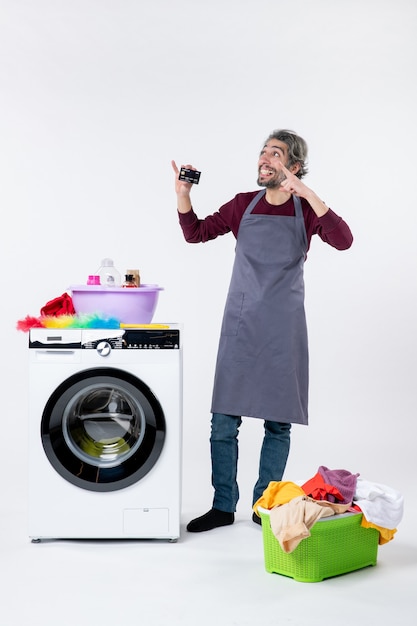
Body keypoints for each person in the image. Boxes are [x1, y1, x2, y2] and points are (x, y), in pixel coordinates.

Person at [171, 129, 353, 532]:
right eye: (263, 152)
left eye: (275, 154)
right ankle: (222, 506)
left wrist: (308, 194)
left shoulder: (307, 211)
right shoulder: (242, 205)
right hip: (240, 324)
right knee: (223, 421)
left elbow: (344, 241)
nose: (264, 159)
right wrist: (184, 193)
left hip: (283, 328)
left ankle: (263, 506)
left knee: (277, 423)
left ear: (294, 166)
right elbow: (195, 233)